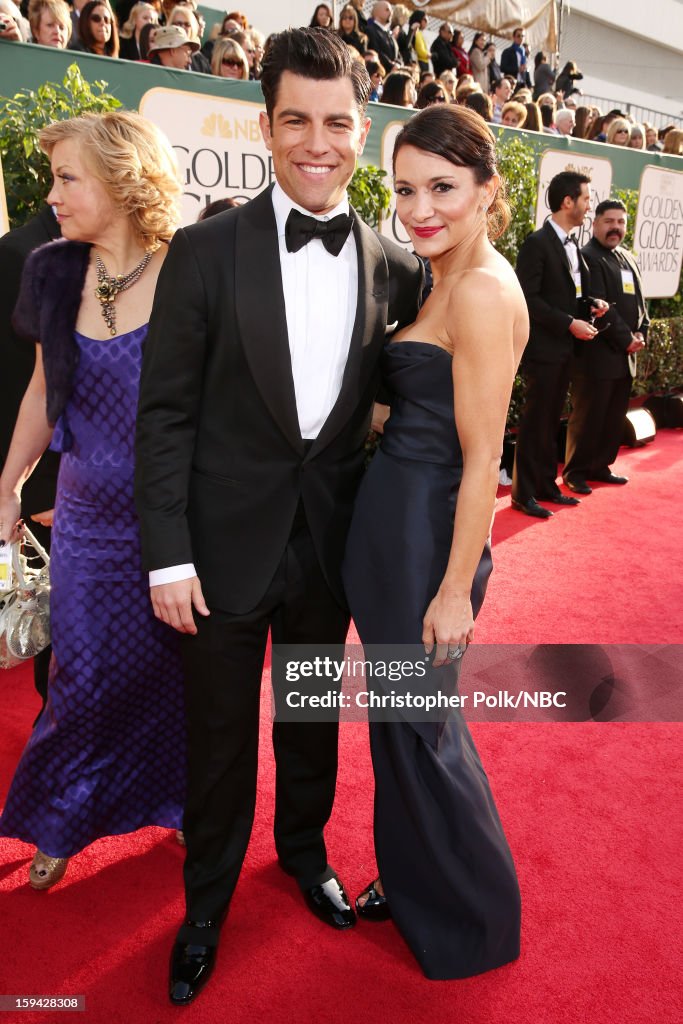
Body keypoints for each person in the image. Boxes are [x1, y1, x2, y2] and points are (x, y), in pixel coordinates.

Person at [134, 26, 422, 1006]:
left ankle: (303, 854)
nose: (316, 141)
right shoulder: (205, 252)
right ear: (264, 126)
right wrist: (165, 554)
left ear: (362, 127)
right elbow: (163, 414)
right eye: (294, 119)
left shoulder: (393, 264)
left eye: (335, 122)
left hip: (326, 548)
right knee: (219, 740)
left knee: (307, 720)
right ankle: (204, 905)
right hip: (214, 555)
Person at [342, 103, 525, 979]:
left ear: (488, 189)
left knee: (425, 726)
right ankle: (415, 882)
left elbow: (485, 456)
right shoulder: (436, 275)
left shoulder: (484, 291)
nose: (419, 208)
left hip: (424, 544)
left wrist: (454, 590)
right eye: (405, 188)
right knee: (398, 722)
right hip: (389, 531)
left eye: (442, 188)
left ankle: (476, 918)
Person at [0, 111, 186, 890]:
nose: (53, 194)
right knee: (79, 678)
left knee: (174, 680)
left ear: (120, 179)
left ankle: (182, 804)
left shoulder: (187, 271)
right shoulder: (50, 269)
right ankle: (61, 820)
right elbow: (45, 387)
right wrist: (8, 482)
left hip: (173, 525)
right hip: (82, 517)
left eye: (67, 177)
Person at [511, 171, 608, 518]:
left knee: (551, 420)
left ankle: (545, 485)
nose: (588, 206)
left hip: (566, 350)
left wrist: (592, 304)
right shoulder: (537, 243)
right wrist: (569, 323)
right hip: (544, 351)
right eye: (585, 199)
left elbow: (570, 293)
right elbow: (529, 298)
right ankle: (523, 494)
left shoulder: (571, 245)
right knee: (536, 420)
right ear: (567, 202)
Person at [0, 206, 61, 715]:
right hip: (56, 487)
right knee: (58, 637)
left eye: (70, 176)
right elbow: (16, 387)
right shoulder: (21, 255)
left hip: (137, 493)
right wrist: (32, 491)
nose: (55, 191)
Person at [563, 199, 649, 494]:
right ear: (595, 223)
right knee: (588, 417)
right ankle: (575, 472)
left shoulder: (628, 257)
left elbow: (640, 303)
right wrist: (626, 340)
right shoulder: (587, 257)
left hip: (624, 358)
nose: (616, 228)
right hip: (596, 356)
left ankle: (600, 466)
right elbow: (600, 304)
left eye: (621, 222)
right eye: (609, 221)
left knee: (612, 417)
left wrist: (641, 331)